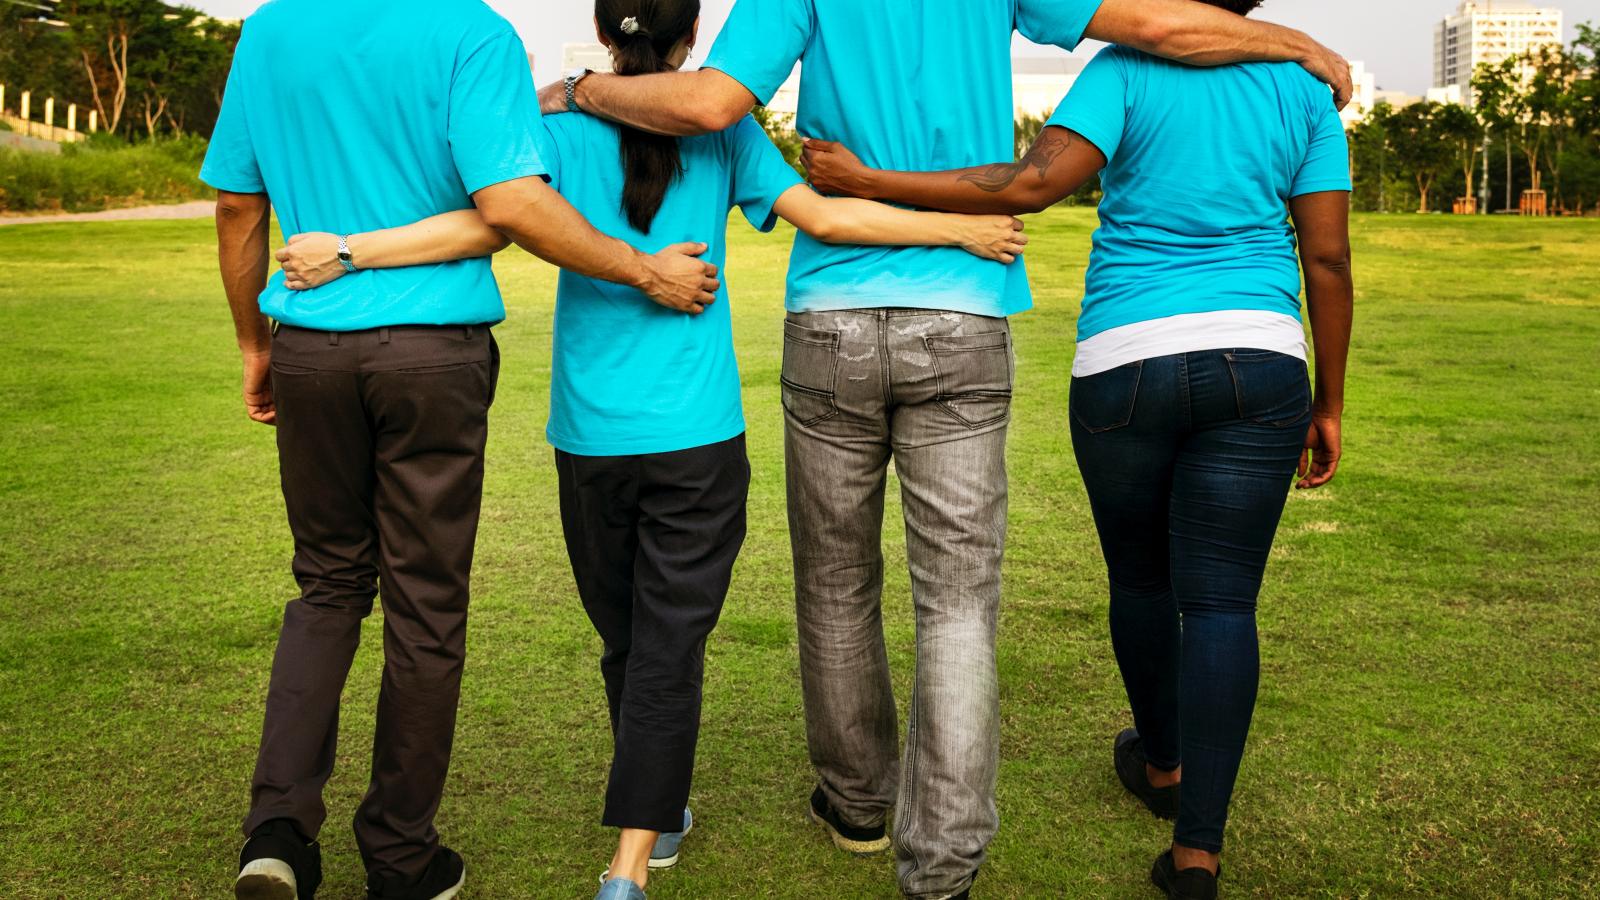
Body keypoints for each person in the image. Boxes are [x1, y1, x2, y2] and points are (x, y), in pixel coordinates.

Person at [539, 2, 1352, 898]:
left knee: (835, 583)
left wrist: (582, 88)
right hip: (963, 311)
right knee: (958, 602)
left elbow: (706, 106)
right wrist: (1297, 42)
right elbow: (1163, 28)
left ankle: (856, 804)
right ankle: (945, 858)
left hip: (830, 318)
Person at [270, 2, 1026, 897]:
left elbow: (491, 217)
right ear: (689, 44)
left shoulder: (553, 126)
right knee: (665, 644)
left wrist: (352, 247)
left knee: (627, 637)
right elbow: (824, 219)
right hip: (698, 436)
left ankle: (652, 824)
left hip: (590, 437)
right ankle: (642, 837)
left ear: (603, 34)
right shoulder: (731, 133)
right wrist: (961, 229)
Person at [802, 0, 1354, 896]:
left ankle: (1164, 763)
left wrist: (871, 179)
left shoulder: (1126, 71)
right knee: (1221, 604)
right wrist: (1327, 400)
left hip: (1125, 358)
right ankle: (1197, 853)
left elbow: (1027, 185)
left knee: (1141, 579)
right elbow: (1325, 259)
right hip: (1261, 356)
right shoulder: (1303, 89)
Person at [202, 1, 722, 898]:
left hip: (310, 350)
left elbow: (239, 205)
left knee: (326, 586)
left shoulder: (270, 29)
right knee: (424, 608)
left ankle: (278, 833)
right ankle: (402, 858)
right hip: (431, 355)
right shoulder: (472, 33)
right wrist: (643, 269)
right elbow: (512, 205)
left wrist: (255, 344)